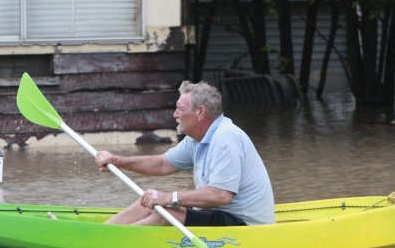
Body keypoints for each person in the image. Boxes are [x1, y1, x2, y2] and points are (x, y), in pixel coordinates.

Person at [94, 80, 275, 226]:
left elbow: (221, 195)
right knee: (148, 199)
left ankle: (113, 242)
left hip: (245, 225)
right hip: (216, 215)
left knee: (167, 212)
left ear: (200, 112)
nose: (174, 115)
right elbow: (162, 164)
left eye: (180, 109)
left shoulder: (226, 137)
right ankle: (102, 233)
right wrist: (119, 161)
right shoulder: (196, 138)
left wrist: (169, 198)